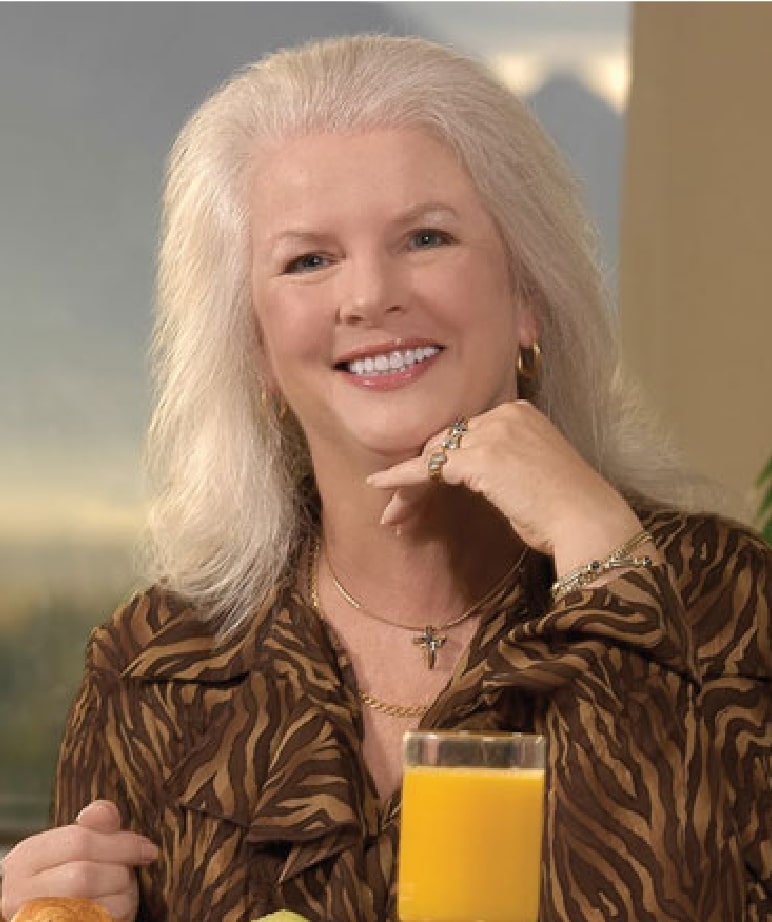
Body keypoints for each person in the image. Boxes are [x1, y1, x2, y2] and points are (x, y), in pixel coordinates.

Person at [1, 34, 769, 922]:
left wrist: (599, 550)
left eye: (425, 237)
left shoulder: (730, 606)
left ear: (528, 297)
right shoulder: (155, 666)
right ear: (254, 346)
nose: (368, 295)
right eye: (308, 260)